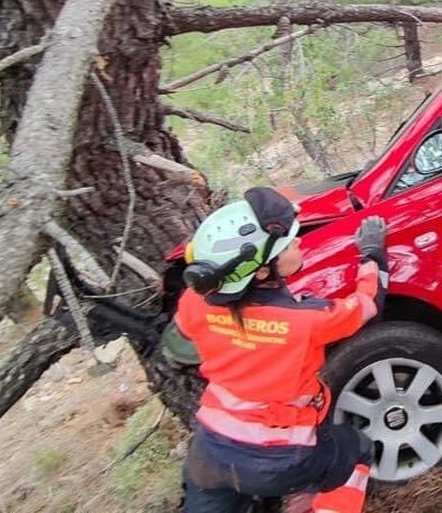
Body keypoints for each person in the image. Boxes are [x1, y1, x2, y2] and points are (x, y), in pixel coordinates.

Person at [162, 187, 389, 513]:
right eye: (288, 243)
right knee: (358, 451)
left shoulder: (193, 301)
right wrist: (372, 252)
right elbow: (368, 304)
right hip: (282, 460)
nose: (298, 243)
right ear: (260, 271)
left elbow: (181, 345)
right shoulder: (307, 321)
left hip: (210, 455)